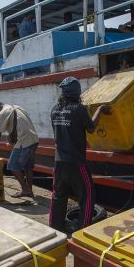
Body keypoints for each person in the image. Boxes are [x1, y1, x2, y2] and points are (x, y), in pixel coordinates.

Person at [49, 77, 111, 232]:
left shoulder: (54, 110)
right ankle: (83, 230)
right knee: (87, 195)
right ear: (77, 93)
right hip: (76, 162)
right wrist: (100, 109)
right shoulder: (79, 109)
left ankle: (54, 227)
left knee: (58, 195)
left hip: (58, 162)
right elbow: (90, 128)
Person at [0, 100, 39, 198]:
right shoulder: (17, 107)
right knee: (27, 167)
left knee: (12, 166)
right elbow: (21, 123)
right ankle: (30, 191)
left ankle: (25, 191)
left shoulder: (3, 112)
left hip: (24, 142)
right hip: (34, 140)